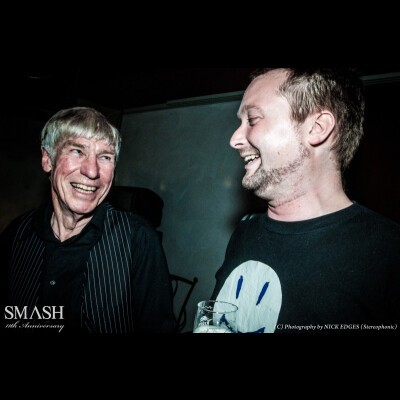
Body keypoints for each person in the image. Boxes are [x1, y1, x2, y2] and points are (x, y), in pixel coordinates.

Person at [211, 68, 400, 334]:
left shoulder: (389, 252)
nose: (234, 139)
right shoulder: (245, 231)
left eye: (252, 119)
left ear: (317, 128)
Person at [1, 107, 175, 334]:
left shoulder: (138, 239)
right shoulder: (17, 233)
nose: (92, 171)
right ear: (47, 159)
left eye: (105, 157)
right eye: (77, 151)